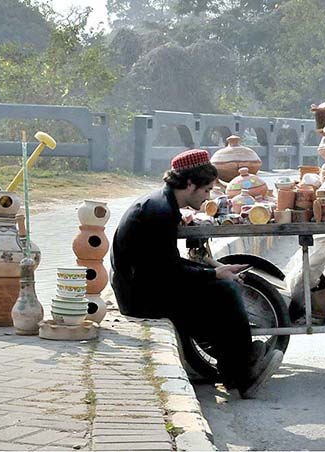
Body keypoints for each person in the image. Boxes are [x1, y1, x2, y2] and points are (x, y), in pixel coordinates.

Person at [110, 149, 283, 399]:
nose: (208, 196)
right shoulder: (159, 211)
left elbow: (165, 263)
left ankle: (236, 368)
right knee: (223, 293)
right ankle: (241, 376)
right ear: (190, 184)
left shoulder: (164, 204)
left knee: (219, 291)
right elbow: (166, 272)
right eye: (206, 190)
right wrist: (215, 275)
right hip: (140, 296)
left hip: (148, 283)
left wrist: (212, 270)